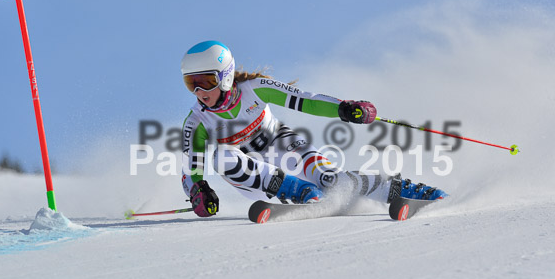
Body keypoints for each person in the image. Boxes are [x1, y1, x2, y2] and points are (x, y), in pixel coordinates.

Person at [180, 40, 446, 218]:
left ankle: (408, 191)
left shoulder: (256, 88)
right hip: (257, 178)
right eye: (192, 84)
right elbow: (191, 169)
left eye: (207, 81)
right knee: (222, 158)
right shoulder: (197, 121)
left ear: (225, 75)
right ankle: (298, 191)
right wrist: (198, 192)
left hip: (283, 145)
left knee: (334, 180)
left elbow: (307, 101)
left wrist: (344, 108)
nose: (200, 91)